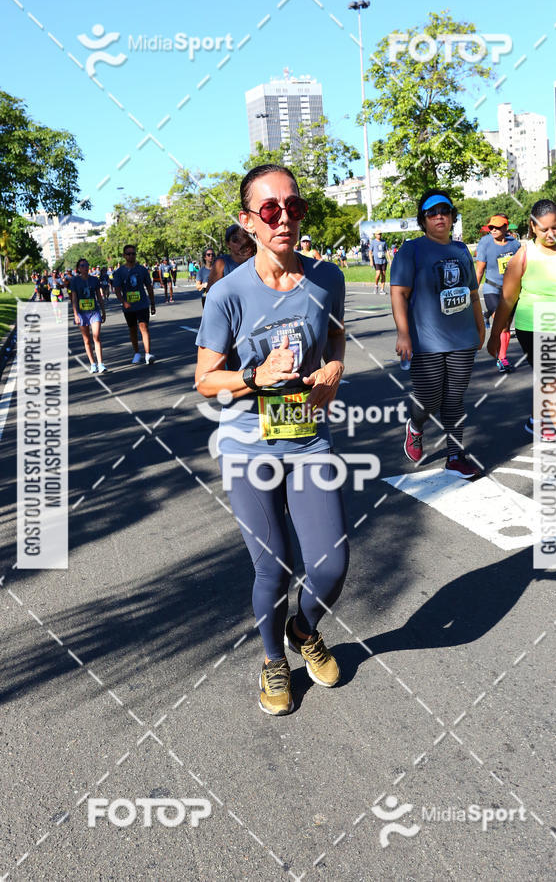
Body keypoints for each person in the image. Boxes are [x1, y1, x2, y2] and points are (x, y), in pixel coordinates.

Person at [195, 163, 348, 716]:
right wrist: (253, 377)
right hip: (247, 446)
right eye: (269, 209)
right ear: (249, 221)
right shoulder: (226, 294)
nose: (284, 217)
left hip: (307, 439)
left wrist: (332, 370)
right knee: (275, 565)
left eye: (293, 206)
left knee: (330, 565)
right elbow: (206, 380)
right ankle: (271, 661)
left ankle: (303, 629)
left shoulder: (327, 278)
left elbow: (334, 338)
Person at [391, 189, 486, 479]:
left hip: (462, 340)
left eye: (444, 211)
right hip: (426, 342)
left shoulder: (460, 251)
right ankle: (416, 425)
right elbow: (399, 293)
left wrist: (481, 329)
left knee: (455, 399)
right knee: (429, 399)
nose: (439, 216)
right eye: (432, 213)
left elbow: (472, 294)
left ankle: (455, 455)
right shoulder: (412, 250)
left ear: (452, 216)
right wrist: (403, 334)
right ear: (423, 220)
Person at [488, 198, 556, 433]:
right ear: (532, 226)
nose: (551, 234)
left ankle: (535, 418)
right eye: (544, 229)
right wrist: (496, 334)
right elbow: (507, 300)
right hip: (535, 326)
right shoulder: (523, 255)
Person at [475, 214, 521, 372]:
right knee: (500, 323)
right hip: (491, 288)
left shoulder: (515, 244)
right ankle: (501, 358)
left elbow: (523, 268)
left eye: (498, 227)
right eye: (491, 227)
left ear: (506, 228)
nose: (493, 230)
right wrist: (473, 292)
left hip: (511, 290)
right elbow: (480, 270)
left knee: (507, 325)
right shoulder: (485, 243)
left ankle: (502, 356)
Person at [112, 244, 156, 365]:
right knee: (132, 329)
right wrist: (123, 302)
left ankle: (148, 354)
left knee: (144, 327)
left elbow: (149, 286)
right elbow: (117, 289)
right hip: (129, 306)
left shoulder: (142, 269)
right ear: (124, 256)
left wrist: (152, 303)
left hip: (142, 304)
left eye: (133, 253)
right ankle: (137, 353)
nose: (131, 256)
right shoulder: (120, 272)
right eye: (128, 254)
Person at [70, 258, 107, 373]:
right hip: (82, 313)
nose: (85, 267)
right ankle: (92, 364)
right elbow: (74, 299)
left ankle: (101, 364)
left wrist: (103, 311)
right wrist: (75, 314)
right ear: (79, 268)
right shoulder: (75, 281)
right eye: (82, 265)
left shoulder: (94, 280)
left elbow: (99, 297)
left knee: (96, 337)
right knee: (86, 340)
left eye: (86, 265)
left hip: (94, 312)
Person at [206, 225, 256, 293]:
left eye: (246, 237)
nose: (242, 243)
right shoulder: (221, 263)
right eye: (236, 240)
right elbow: (211, 291)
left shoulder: (257, 262)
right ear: (228, 244)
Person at [369, 230, 388, 294]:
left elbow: (386, 251)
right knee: (378, 274)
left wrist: (390, 260)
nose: (379, 235)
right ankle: (376, 286)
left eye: (380, 234)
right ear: (375, 235)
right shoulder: (373, 242)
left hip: (383, 261)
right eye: (378, 234)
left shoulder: (384, 242)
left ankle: (382, 289)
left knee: (383, 274)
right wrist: (371, 261)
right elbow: (370, 252)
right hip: (376, 261)